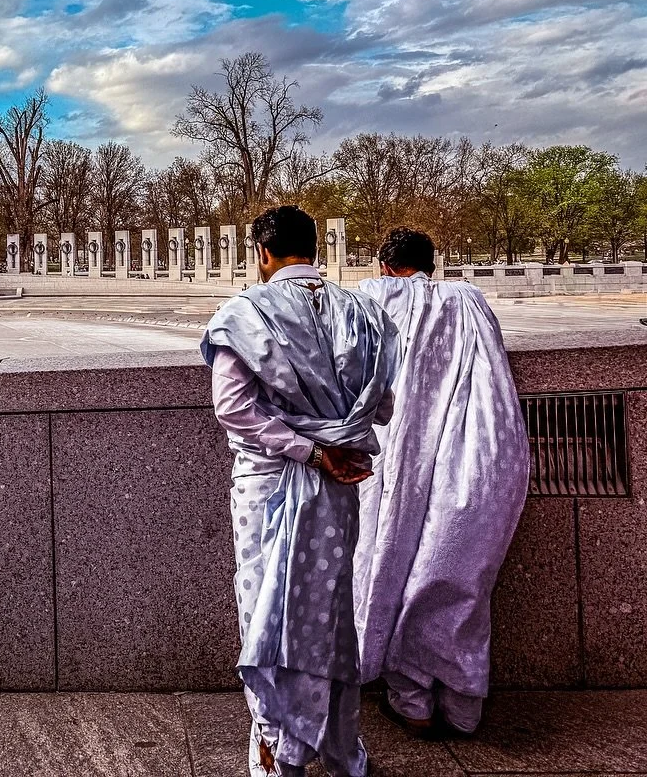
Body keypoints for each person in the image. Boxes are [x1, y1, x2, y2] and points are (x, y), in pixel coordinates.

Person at [200, 205, 398, 777]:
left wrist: (305, 448)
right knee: (331, 612)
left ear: (262, 253)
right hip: (339, 484)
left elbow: (232, 408)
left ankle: (277, 752)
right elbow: (379, 405)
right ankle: (341, 751)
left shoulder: (245, 314)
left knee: (267, 609)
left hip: (269, 485)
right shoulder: (362, 314)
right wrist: (333, 440)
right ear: (314, 248)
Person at [355, 228, 528, 739]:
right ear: (431, 264)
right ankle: (462, 704)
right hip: (478, 455)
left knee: (388, 566)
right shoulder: (469, 297)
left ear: (387, 266)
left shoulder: (374, 295)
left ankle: (410, 699)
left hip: (400, 456)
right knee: (455, 576)